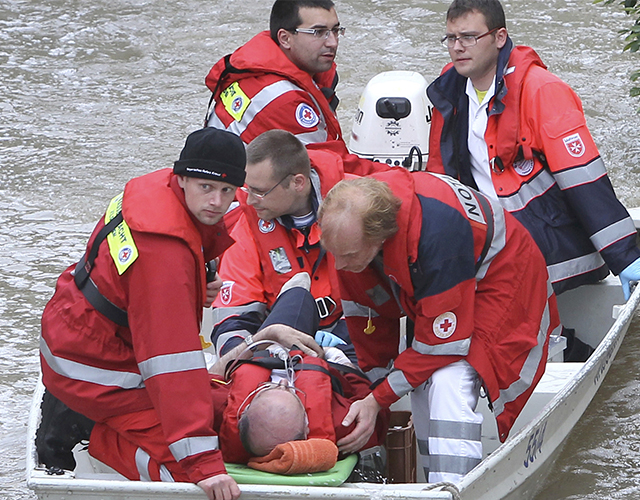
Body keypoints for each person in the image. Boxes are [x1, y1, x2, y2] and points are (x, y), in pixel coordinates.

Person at [39, 128, 247, 500]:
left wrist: (196, 279)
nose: (217, 202)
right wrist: (204, 466)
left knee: (214, 410)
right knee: (186, 471)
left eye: (227, 192)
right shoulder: (164, 256)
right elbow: (172, 366)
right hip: (93, 366)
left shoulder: (152, 189)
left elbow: (122, 275)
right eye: (206, 188)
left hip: (77, 332)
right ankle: (92, 433)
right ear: (182, 178)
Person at [317, 171, 561, 483]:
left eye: (347, 257)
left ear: (379, 238)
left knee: (450, 379)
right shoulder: (350, 236)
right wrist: (374, 394)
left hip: (503, 275)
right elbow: (367, 319)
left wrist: (378, 400)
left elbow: (442, 345)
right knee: (418, 382)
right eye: (333, 255)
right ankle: (432, 480)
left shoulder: (436, 232)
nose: (338, 266)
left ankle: (453, 487)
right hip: (444, 273)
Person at [426, 0, 640, 298]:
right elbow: (440, 175)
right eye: (451, 38)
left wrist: (625, 256)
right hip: (487, 237)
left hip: (551, 244)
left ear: (500, 37)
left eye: (469, 37)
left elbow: (584, 179)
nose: (458, 47)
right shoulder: (449, 91)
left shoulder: (542, 90)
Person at [89, 280, 389, 477]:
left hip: (263, 349)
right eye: (289, 389)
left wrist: (265, 338)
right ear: (308, 426)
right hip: (328, 359)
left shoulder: (215, 407)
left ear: (242, 406)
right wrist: (329, 356)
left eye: (269, 387)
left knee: (293, 298)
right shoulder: (341, 423)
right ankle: (296, 298)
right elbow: (370, 396)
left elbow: (213, 374)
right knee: (311, 299)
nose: (284, 381)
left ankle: (271, 311)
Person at [211, 129, 356, 362]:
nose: (248, 200)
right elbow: (234, 313)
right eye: (248, 189)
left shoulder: (355, 207)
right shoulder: (248, 225)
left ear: (298, 182)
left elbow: (377, 298)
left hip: (349, 335)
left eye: (259, 192)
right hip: (280, 340)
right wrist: (241, 356)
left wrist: (342, 340)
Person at [204, 0, 344, 147]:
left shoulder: (259, 67)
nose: (333, 42)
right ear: (285, 38)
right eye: (318, 32)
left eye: (335, 30)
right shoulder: (282, 97)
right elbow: (326, 165)